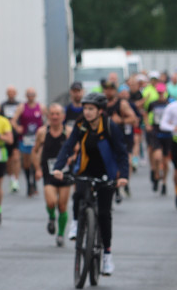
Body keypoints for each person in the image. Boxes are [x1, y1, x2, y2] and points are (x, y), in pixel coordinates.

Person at [52, 92, 128, 276]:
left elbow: (121, 153)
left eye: (91, 109)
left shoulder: (110, 127)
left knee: (104, 214)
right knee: (78, 193)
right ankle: (77, 223)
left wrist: (123, 176)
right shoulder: (81, 125)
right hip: (86, 169)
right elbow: (68, 146)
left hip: (106, 173)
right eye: (85, 108)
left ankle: (107, 256)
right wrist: (58, 167)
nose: (87, 112)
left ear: (100, 111)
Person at [32, 103, 73, 246]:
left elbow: (77, 150)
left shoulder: (68, 132)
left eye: (57, 114)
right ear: (48, 116)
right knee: (51, 202)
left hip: (64, 173)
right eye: (52, 114)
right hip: (49, 173)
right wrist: (37, 169)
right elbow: (35, 151)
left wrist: (71, 159)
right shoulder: (42, 132)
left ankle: (60, 234)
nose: (55, 117)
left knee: (62, 206)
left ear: (63, 116)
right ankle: (51, 217)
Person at [13, 89, 44, 196]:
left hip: (36, 139)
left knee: (35, 160)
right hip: (25, 138)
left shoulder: (40, 107)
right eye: (29, 95)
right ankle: (28, 183)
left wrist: (44, 130)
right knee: (26, 163)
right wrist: (17, 127)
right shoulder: (22, 107)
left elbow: (49, 118)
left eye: (32, 94)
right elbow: (13, 120)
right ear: (26, 96)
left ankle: (34, 184)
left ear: (35, 95)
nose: (31, 96)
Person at [146, 84, 172, 194]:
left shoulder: (169, 104)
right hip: (156, 132)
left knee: (166, 162)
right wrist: (147, 124)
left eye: (162, 92)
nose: (161, 94)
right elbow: (146, 114)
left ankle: (164, 182)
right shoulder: (153, 104)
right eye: (159, 92)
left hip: (167, 134)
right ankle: (156, 173)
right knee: (157, 157)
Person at [0, 86, 23, 193]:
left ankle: (16, 180)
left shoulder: (19, 105)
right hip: (6, 135)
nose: (11, 94)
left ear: (16, 93)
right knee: (8, 160)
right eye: (9, 92)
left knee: (16, 157)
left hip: (16, 134)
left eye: (13, 92)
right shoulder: (2, 105)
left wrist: (20, 127)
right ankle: (11, 177)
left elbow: (23, 118)